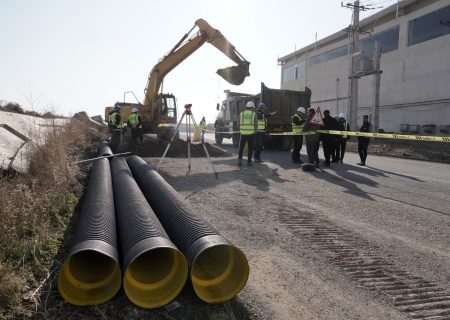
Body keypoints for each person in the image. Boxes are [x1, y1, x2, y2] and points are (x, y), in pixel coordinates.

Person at [237, 101, 257, 166]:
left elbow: (238, 124)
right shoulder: (254, 114)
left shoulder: (241, 114)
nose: (253, 109)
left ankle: (239, 161)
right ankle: (249, 162)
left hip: (243, 134)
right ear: (251, 107)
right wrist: (255, 132)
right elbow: (255, 125)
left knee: (241, 148)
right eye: (253, 108)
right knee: (250, 149)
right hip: (251, 134)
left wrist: (242, 129)